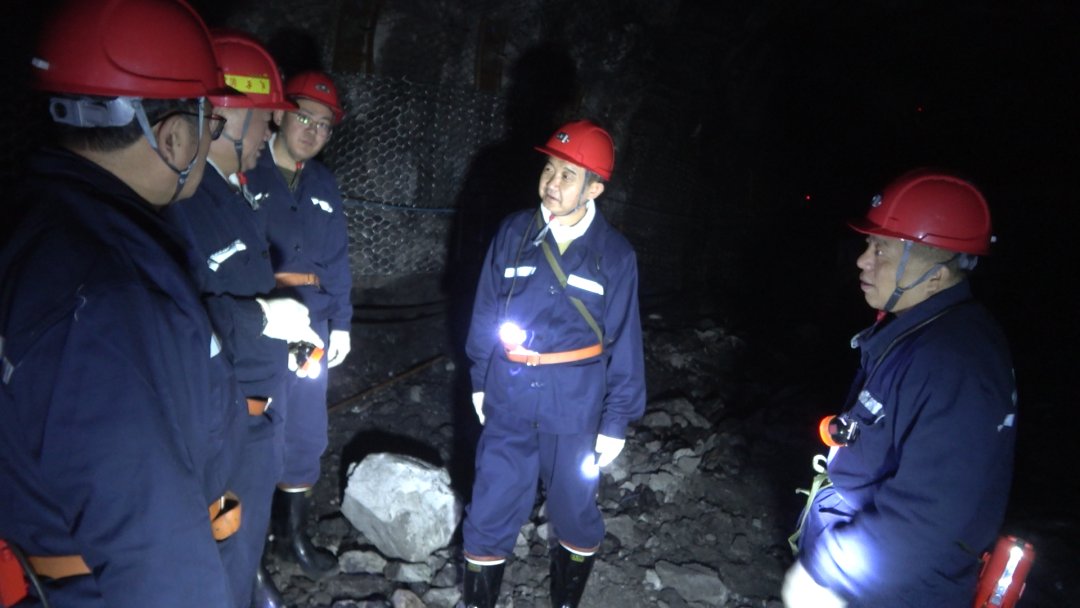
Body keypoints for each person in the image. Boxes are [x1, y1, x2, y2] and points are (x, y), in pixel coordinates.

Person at [0, 0, 253, 606]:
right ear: (172, 136)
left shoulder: (43, 220)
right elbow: (156, 554)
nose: (210, 137)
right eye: (210, 122)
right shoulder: (111, 298)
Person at [783, 169, 1017, 607]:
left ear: (937, 275)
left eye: (881, 250)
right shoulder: (925, 332)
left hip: (893, 589)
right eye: (869, 245)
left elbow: (926, 516)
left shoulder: (955, 363)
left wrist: (826, 571)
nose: (862, 260)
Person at [162, 29, 323, 608]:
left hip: (255, 417)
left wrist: (285, 337)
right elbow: (177, 323)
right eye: (264, 117)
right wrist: (261, 318)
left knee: (242, 545)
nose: (270, 130)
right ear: (226, 115)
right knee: (220, 565)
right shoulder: (185, 202)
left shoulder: (233, 191)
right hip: (224, 427)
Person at [461, 120, 646, 608]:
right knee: (490, 505)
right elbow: (486, 311)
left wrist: (616, 419)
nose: (552, 182)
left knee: (573, 510)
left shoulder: (615, 255)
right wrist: (480, 378)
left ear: (594, 189)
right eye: (549, 168)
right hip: (509, 394)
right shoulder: (513, 232)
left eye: (568, 175)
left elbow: (624, 341)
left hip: (575, 409)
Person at [245, 71, 352, 579]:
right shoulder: (246, 170)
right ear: (278, 113)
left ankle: (292, 538)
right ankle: (251, 550)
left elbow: (338, 258)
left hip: (313, 324)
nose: (313, 131)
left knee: (306, 429)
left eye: (324, 125)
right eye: (304, 117)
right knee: (254, 429)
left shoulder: (324, 183)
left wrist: (342, 322)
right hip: (260, 319)